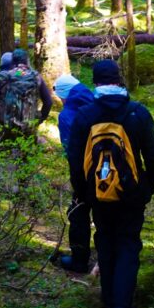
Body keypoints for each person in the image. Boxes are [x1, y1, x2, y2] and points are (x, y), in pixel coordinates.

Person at [65, 59, 154, 308]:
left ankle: (108, 298)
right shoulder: (137, 113)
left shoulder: (86, 115)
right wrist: (147, 187)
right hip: (132, 196)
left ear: (95, 82)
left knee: (105, 241)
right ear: (119, 81)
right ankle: (122, 307)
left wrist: (84, 193)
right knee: (128, 244)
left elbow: (75, 160)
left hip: (97, 195)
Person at [52, 74, 96, 273]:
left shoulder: (67, 115)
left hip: (83, 172)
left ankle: (79, 260)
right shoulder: (96, 101)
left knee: (78, 213)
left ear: (64, 95)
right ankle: (106, 258)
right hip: (109, 171)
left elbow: (70, 149)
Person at [0, 48, 52, 137]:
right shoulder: (36, 77)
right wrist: (38, 120)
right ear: (27, 61)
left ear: (12, 62)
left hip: (6, 126)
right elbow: (48, 102)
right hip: (29, 126)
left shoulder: (4, 76)